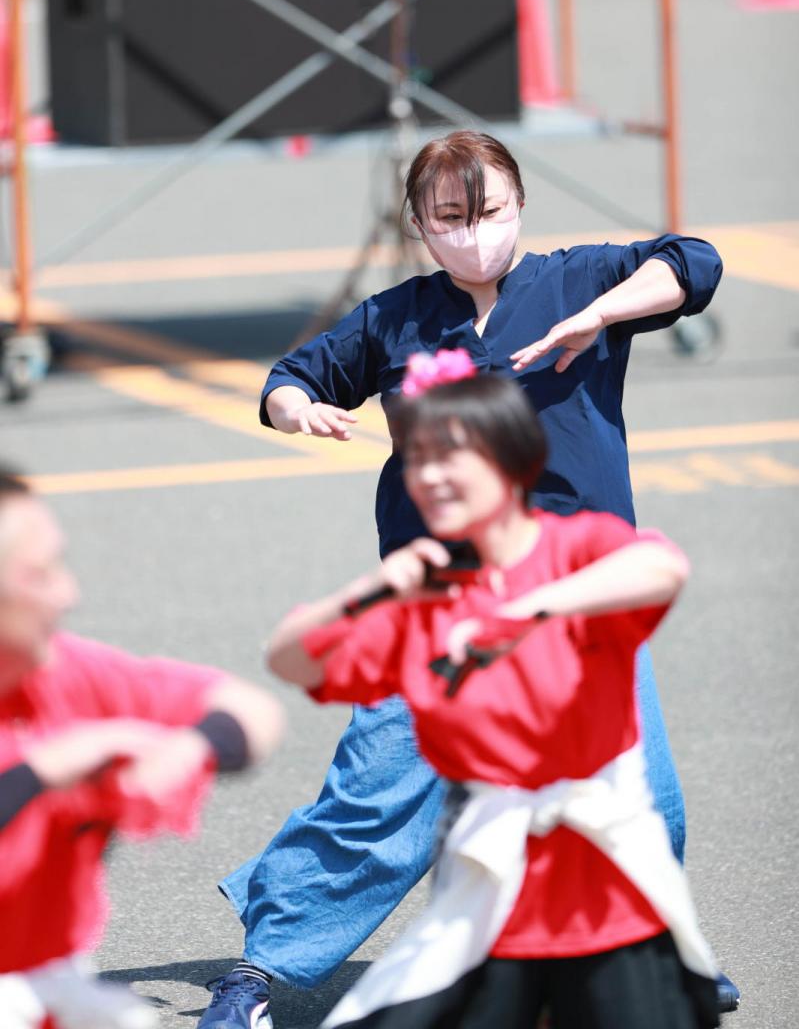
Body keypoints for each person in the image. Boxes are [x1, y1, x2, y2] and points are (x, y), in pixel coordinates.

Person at [200, 130, 727, 1028]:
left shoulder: (580, 280)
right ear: (418, 224)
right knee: (378, 793)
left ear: (519, 206)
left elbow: (693, 261)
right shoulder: (396, 318)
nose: (473, 231)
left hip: (578, 584)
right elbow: (291, 377)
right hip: (441, 597)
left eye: (488, 212)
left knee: (634, 793)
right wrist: (301, 408)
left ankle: (644, 948)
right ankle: (264, 971)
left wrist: (601, 316)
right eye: (450, 217)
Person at [267, 358, 720, 1029]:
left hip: (606, 904)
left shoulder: (575, 549)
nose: (428, 475)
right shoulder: (422, 596)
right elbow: (291, 661)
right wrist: (372, 590)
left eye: (451, 454)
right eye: (415, 457)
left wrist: (526, 612)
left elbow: (660, 565)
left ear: (512, 458)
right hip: (485, 898)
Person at [0, 469, 285, 1029]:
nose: (68, 593)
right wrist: (44, 770)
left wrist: (193, 746)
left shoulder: (62, 670)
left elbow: (255, 710)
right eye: (40, 573)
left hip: (44, 978)